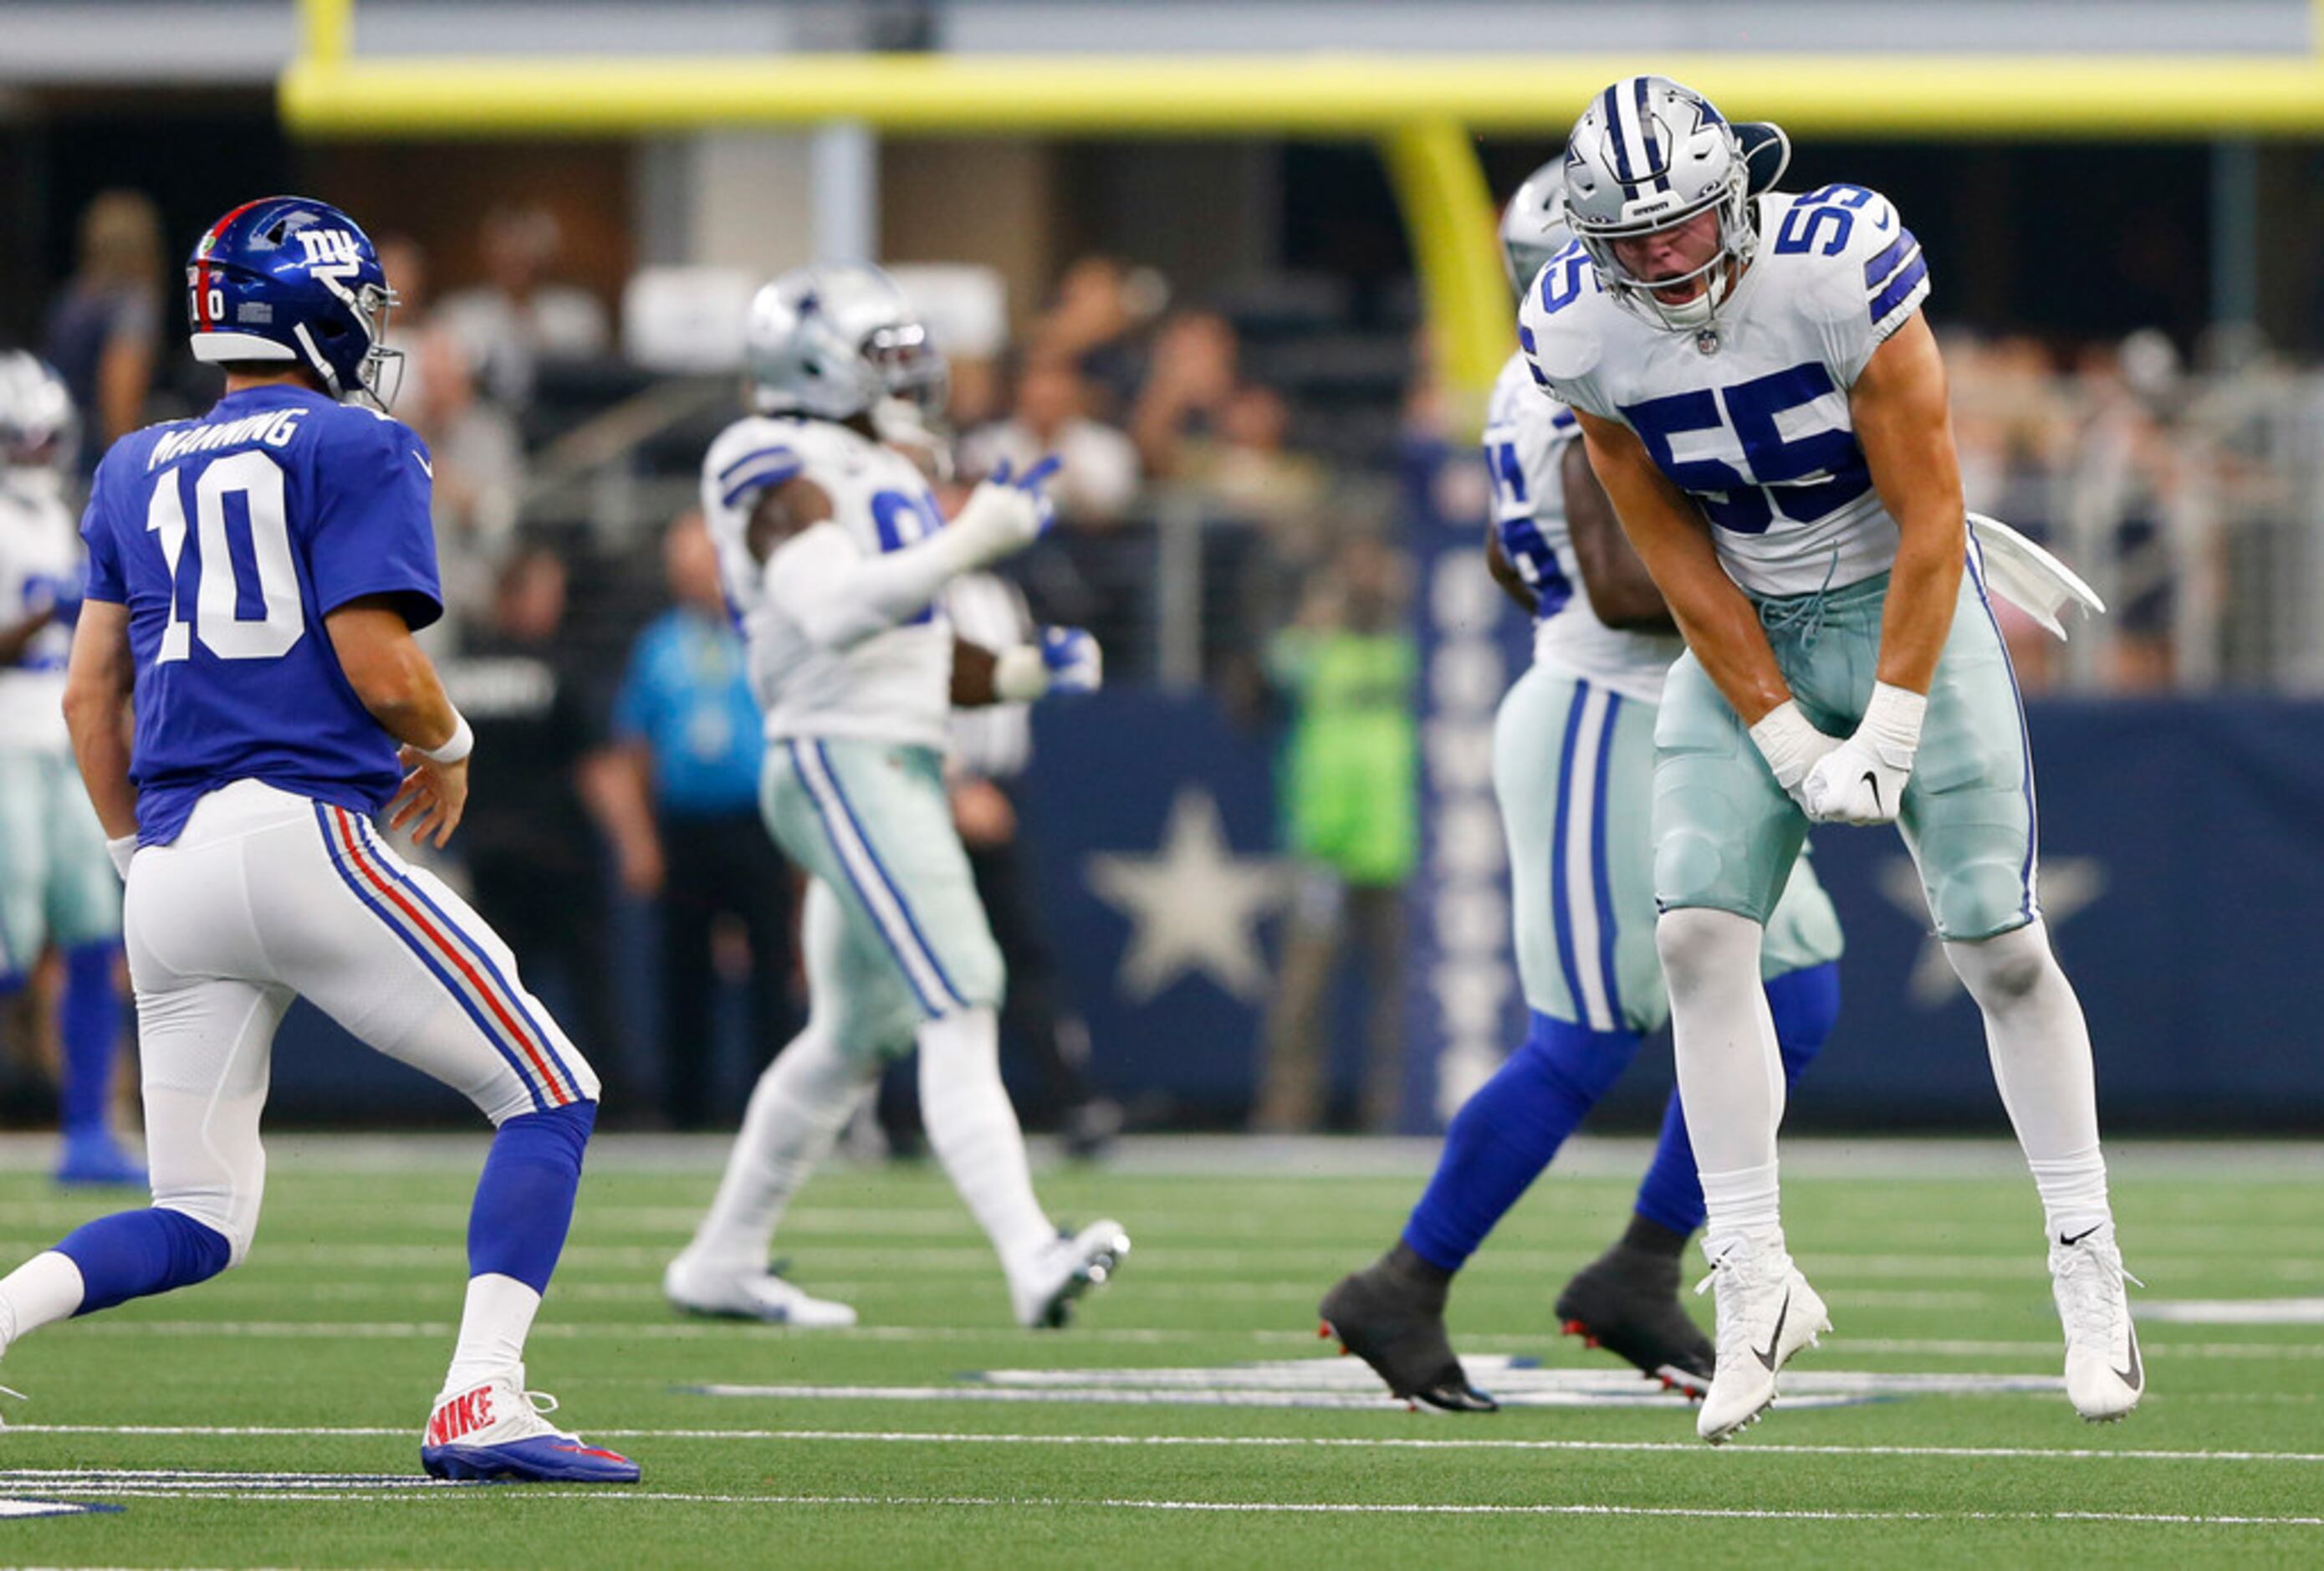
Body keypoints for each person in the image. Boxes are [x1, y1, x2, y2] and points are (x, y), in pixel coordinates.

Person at [1528, 77, 2136, 1441]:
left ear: (1733, 192)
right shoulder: (1576, 323)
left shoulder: (1835, 263)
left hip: (1900, 600)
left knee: (1998, 949)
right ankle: (1751, 1272)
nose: (1663, 261)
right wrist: (1779, 728)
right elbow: (1664, 542)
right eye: (1632, 241)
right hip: (1743, 607)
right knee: (1690, 935)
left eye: (1683, 227)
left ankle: (2083, 1259)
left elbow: (1933, 517)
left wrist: (1890, 724)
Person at [0, 197, 635, 1483]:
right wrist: (452, 742)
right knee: (551, 1089)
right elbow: (378, 661)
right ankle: (479, 1395)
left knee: (199, 1220)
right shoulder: (357, 440)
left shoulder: (130, 463)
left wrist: (140, 859)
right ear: (318, 308)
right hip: (302, 834)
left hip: (171, 862)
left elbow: (88, 697)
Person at [1319, 171, 1846, 1410]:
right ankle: (1398, 1284)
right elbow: (1608, 583)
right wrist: (1786, 576)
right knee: (1582, 1037)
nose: (1672, 263)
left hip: (1679, 702)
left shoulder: (1588, 366)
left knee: (1798, 992)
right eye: (1638, 246)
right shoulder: (1571, 372)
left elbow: (1517, 556)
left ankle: (1635, 1269)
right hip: (1603, 718)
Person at [662, 263, 1126, 1329]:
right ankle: (1028, 1253)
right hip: (841, 755)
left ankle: (722, 1259)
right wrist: (974, 541)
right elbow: (831, 611)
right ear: (816, 366)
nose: (909, 377)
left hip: (887, 748)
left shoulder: (885, 464)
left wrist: (1018, 672)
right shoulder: (766, 456)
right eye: (882, 357)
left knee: (851, 1036)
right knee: (961, 993)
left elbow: (913, 642)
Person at [604, 510, 799, 1129]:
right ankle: (685, 1110)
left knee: (772, 969)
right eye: (682, 564)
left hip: (759, 822)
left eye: (703, 561)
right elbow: (634, 746)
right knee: (682, 972)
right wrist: (641, 839)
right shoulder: (659, 643)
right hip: (685, 828)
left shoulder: (769, 635)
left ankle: (777, 1110)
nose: (694, 576)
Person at [0, 353, 141, 1185]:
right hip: (7, 744)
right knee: (8, 947)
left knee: (92, 936)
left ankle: (87, 1131)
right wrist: (36, 617)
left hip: (65, 741)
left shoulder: (64, 514)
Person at [1253, 535, 1417, 1134]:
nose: (1369, 586)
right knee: (1301, 991)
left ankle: (1400, 1109)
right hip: (1322, 843)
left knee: (1401, 993)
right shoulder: (1315, 648)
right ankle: (1286, 1110)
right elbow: (1265, 675)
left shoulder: (1415, 649)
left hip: (1400, 843)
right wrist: (1312, 614)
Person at [43, 191, 166, 476]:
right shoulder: (133, 305)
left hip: (58, 449)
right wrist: (128, 476)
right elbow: (118, 404)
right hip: (95, 465)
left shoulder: (71, 298)